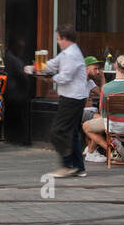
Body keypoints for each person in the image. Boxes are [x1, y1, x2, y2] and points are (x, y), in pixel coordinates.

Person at [24, 25, 88, 178]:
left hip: (72, 98)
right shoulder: (68, 53)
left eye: (59, 39)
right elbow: (52, 64)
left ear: (65, 39)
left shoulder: (71, 55)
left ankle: (67, 165)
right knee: (71, 132)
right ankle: (78, 167)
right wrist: (34, 68)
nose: (58, 42)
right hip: (73, 97)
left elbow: (65, 77)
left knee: (58, 131)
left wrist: (48, 78)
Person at [83, 55, 124, 161]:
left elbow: (102, 111)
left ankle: (114, 152)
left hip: (112, 126)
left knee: (86, 126)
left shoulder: (106, 88)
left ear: (115, 66)